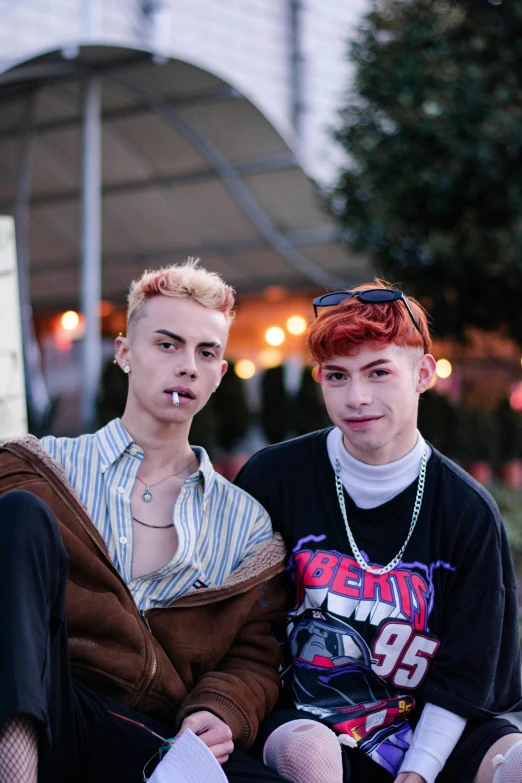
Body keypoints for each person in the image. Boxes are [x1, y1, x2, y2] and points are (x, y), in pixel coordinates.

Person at [0, 259, 288, 783]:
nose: (188, 366)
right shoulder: (42, 467)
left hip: (151, 735)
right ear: (125, 353)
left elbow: (254, 656)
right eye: (167, 344)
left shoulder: (244, 520)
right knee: (21, 515)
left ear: (221, 374)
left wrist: (221, 708)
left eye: (207, 353)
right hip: (48, 698)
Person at [235, 281, 522, 783]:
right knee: (309, 755)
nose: (357, 397)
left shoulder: (466, 511)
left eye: (379, 372)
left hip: (436, 725)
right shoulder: (275, 478)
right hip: (309, 718)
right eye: (337, 376)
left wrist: (418, 772)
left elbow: (467, 674)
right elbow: (240, 627)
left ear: (423, 374)